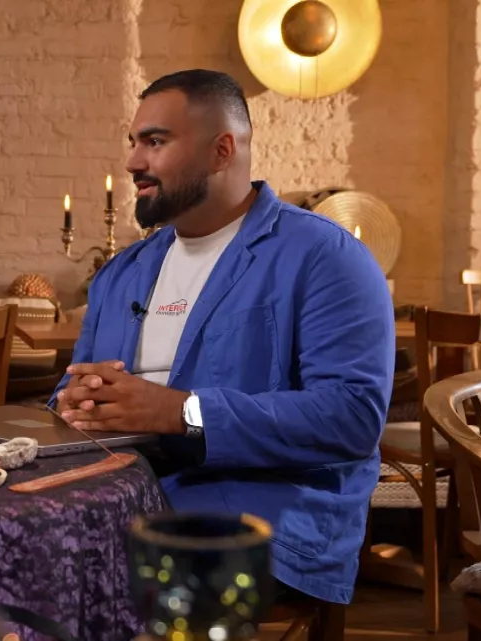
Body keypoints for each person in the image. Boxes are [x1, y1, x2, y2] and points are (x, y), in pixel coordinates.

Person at [52, 69, 393, 606]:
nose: (133, 161)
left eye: (155, 142)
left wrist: (181, 412)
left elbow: (351, 417)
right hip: (125, 495)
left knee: (78, 580)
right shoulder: (121, 273)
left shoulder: (326, 257)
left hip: (264, 517)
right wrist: (75, 403)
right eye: (133, 142)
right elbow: (70, 393)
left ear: (221, 151)